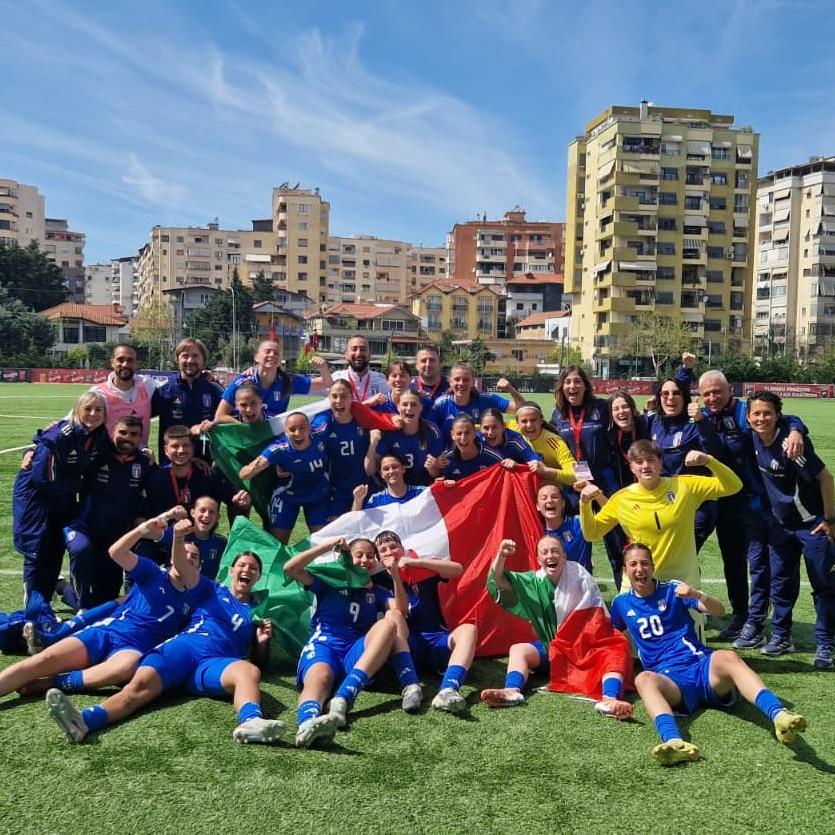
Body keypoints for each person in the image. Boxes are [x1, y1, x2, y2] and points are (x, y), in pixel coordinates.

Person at [46, 522, 283, 745]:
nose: (247, 570)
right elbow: (182, 567)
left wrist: (262, 643)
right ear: (231, 570)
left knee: (249, 671)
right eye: (242, 565)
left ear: (258, 577)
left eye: (253, 568)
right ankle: (84, 721)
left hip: (215, 663)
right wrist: (178, 537)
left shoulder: (256, 612)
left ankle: (251, 721)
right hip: (184, 648)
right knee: (137, 690)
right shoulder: (212, 588)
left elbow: (260, 662)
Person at [611, 542, 807, 766]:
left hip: (701, 666)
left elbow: (719, 610)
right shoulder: (620, 603)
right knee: (643, 679)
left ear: (653, 566)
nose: (640, 569)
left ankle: (779, 715)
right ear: (625, 570)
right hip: (670, 681)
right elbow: (612, 638)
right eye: (633, 564)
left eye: (645, 563)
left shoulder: (672, 589)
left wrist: (696, 594)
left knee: (727, 656)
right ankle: (674, 742)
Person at [0, 509, 195, 701]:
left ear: (199, 566)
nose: (187, 558)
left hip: (134, 647)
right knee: (41, 662)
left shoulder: (198, 595)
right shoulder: (153, 573)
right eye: (184, 552)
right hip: (107, 632)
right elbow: (116, 552)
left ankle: (54, 682)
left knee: (126, 666)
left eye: (194, 557)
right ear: (172, 557)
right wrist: (143, 529)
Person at [678, 365, 806, 645]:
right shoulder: (702, 416)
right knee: (732, 562)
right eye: (707, 394)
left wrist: (796, 429)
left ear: (729, 390)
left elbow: (783, 417)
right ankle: (741, 616)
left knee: (759, 564)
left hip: (754, 503)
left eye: (717, 392)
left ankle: (759, 623)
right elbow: (715, 450)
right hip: (724, 503)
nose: (712, 398)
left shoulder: (743, 411)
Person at [480, 538, 632, 718]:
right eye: (544, 552)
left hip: (586, 649)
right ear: (538, 559)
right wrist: (501, 555)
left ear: (564, 556)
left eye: (555, 551)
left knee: (617, 650)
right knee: (518, 649)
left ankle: (610, 699)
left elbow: (597, 621)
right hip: (553, 650)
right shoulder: (534, 581)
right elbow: (497, 580)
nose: (550, 555)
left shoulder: (579, 575)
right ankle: (511, 691)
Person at [284, 536, 409, 748]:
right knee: (321, 676)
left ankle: (344, 696)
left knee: (388, 625)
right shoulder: (329, 581)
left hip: (355, 652)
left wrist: (395, 576)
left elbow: (401, 611)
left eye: (370, 556)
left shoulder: (376, 591)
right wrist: (327, 546)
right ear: (347, 557)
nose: (365, 560)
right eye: (358, 555)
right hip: (325, 645)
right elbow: (291, 568)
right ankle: (307, 723)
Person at [579, 441, 742, 598]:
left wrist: (709, 461)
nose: (645, 466)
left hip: (682, 585)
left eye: (651, 460)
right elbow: (592, 534)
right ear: (632, 468)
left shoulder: (685, 486)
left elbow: (733, 486)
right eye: (639, 462)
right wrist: (585, 503)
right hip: (639, 583)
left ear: (660, 464)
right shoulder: (621, 499)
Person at [747, 391, 835, 668]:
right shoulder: (753, 437)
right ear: (748, 418)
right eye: (756, 413)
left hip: (812, 526)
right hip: (781, 527)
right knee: (781, 583)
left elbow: (826, 479)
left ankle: (826, 644)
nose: (761, 418)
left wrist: (830, 520)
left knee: (823, 585)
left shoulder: (791, 446)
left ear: (777, 416)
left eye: (767, 413)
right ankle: (782, 636)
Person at [13, 391, 111, 603]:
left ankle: (49, 600)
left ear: (105, 414)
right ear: (77, 411)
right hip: (36, 499)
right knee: (37, 550)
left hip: (62, 498)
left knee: (55, 549)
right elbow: (42, 479)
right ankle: (34, 610)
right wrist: (78, 483)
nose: (93, 414)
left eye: (98, 409)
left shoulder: (99, 435)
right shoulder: (59, 436)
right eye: (87, 409)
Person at [374, 530, 478, 714]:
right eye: (383, 550)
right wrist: (395, 576)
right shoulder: (379, 581)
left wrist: (416, 562)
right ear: (379, 558)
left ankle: (448, 689)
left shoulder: (419, 567)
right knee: (393, 616)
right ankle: (410, 685)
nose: (389, 552)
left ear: (402, 548)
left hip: (436, 637)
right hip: (407, 644)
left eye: (393, 547)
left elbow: (457, 569)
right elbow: (401, 610)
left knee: (469, 629)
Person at [547, 366, 628, 584]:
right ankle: (575, 593)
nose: (572, 386)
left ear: (585, 385)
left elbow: (625, 423)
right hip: (574, 483)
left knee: (616, 540)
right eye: (568, 382)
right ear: (561, 387)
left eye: (577, 381)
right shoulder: (557, 414)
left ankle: (625, 592)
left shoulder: (601, 407)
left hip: (604, 480)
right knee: (574, 540)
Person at [64, 414, 153, 608]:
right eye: (123, 432)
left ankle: (64, 590)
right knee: (81, 550)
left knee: (105, 597)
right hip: (84, 526)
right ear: (113, 432)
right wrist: (30, 450)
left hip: (115, 534)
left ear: (141, 438)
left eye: (134, 434)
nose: (127, 438)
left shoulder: (144, 463)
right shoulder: (97, 453)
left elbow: (144, 498)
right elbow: (63, 447)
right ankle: (80, 605)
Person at [647, 376, 724, 550]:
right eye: (665, 393)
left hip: (697, 506)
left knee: (682, 554)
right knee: (667, 556)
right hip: (666, 504)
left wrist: (700, 421)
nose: (670, 398)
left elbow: (716, 451)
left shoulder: (697, 420)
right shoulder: (655, 422)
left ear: (684, 397)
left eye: (676, 393)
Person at [239, 411, 329, 543]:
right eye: (292, 429)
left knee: (321, 542)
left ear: (309, 428)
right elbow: (243, 474)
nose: (297, 433)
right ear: (285, 432)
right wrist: (255, 468)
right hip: (287, 496)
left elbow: (329, 410)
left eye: (302, 428)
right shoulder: (278, 449)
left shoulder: (320, 434)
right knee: (278, 543)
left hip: (317, 495)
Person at [144, 425, 251, 518]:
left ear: (193, 448)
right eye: (175, 446)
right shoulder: (155, 479)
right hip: (166, 534)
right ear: (166, 450)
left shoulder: (208, 476)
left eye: (186, 445)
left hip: (201, 534)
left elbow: (233, 498)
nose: (181, 450)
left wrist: (242, 500)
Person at [216, 339, 332, 420]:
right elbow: (220, 416)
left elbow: (326, 383)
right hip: (244, 436)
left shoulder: (287, 381)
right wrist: (242, 426)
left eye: (276, 353)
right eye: (267, 351)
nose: (272, 355)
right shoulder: (241, 382)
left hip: (271, 438)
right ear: (256, 357)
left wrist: (323, 367)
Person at [153, 337, 224, 462]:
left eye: (195, 356)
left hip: (205, 465)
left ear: (203, 360)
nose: (190, 360)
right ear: (177, 359)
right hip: (172, 465)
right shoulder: (163, 390)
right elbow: (140, 417)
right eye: (185, 356)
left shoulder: (213, 389)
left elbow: (229, 418)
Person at [311, 379, 372, 519]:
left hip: (365, 487)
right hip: (335, 490)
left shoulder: (363, 418)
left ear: (352, 398)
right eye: (334, 396)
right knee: (337, 530)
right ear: (329, 398)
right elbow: (304, 439)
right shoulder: (323, 422)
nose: (339, 401)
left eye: (344, 396)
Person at [365, 389, 444, 487]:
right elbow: (370, 471)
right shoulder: (388, 430)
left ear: (421, 407)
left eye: (414, 404)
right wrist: (373, 443)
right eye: (405, 404)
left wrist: (432, 468)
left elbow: (437, 473)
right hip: (394, 488)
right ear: (398, 407)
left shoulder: (432, 431)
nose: (409, 408)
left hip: (422, 488)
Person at [427, 361, 515, 443]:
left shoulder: (485, 399)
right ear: (450, 382)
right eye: (457, 379)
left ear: (473, 382)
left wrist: (511, 389)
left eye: (466, 380)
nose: (461, 383)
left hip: (482, 452)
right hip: (449, 453)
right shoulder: (441, 404)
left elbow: (518, 409)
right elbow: (427, 430)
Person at [90, 343, 159, 446]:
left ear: (136, 364)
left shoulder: (147, 385)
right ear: (112, 362)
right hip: (109, 455)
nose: (125, 364)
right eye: (120, 359)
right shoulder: (99, 393)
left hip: (140, 454)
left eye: (130, 360)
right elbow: (75, 420)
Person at [149, 496, 228, 580]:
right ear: (193, 513)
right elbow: (147, 531)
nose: (206, 515)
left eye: (211, 512)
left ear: (217, 518)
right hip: (173, 585)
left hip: (204, 587)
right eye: (202, 510)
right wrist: (168, 515)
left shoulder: (221, 543)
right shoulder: (178, 533)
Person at [504, 400, 577, 487]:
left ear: (541, 420)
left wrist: (546, 471)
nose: (529, 425)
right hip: (525, 486)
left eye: (533, 420)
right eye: (524, 421)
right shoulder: (512, 428)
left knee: (547, 492)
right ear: (517, 423)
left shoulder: (554, 442)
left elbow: (575, 476)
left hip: (549, 489)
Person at [426, 414, 504, 482]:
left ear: (474, 434)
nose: (463, 438)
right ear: (452, 435)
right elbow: (438, 479)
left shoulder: (493, 458)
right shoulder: (447, 459)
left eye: (467, 433)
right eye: (459, 434)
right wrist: (433, 468)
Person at [536, 483, 592, 573]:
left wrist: (591, 490)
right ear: (538, 506)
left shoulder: (579, 523)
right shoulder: (536, 533)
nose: (549, 500)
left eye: (554, 497)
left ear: (563, 503)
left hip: (580, 581)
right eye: (544, 498)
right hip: (552, 582)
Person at [606, 390, 650, 489]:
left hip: (648, 486)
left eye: (625, 407)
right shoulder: (609, 436)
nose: (621, 411)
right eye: (616, 409)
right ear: (611, 414)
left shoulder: (646, 426)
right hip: (624, 490)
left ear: (632, 409)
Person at [353, 453, 425, 510]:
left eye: (395, 467)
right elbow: (357, 520)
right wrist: (358, 501)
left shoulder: (421, 493)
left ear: (403, 469)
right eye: (386, 469)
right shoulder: (375, 500)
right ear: (381, 474)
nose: (391, 471)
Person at [332, 335, 390, 400]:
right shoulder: (335, 379)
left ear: (370, 354)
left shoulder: (381, 381)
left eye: (363, 349)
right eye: (354, 349)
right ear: (346, 355)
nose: (358, 353)